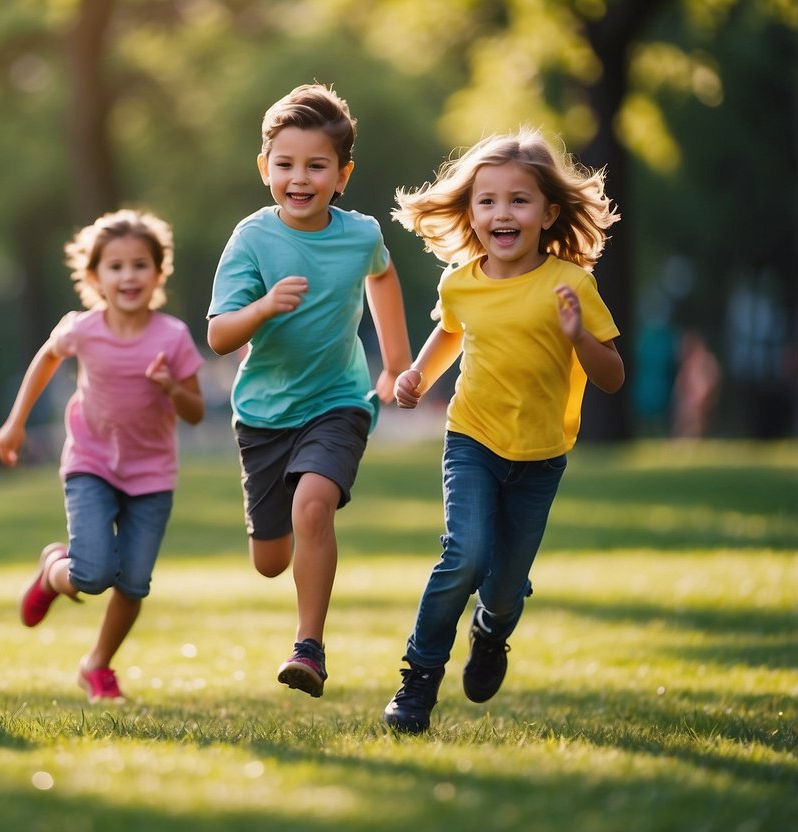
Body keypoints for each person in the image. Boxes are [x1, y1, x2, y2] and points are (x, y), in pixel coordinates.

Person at [382, 128, 625, 733]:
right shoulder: (461, 281)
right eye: (487, 201)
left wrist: (578, 338)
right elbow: (451, 333)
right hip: (473, 440)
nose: (501, 213)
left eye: (518, 200)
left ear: (547, 213)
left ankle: (491, 633)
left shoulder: (571, 286)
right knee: (464, 555)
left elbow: (614, 377)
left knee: (506, 585)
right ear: (471, 212)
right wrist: (416, 374)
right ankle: (418, 681)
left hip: (541, 456)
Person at [206, 83, 412, 698]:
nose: (300, 178)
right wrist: (264, 307)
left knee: (314, 504)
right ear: (265, 166)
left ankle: (309, 648)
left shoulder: (359, 234)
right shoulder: (251, 239)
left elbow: (383, 274)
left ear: (342, 175)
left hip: (339, 401)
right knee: (271, 560)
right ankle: (295, 533)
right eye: (287, 164)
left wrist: (394, 360)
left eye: (317, 166)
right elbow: (218, 336)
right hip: (264, 413)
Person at [0, 209, 205, 703]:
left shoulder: (171, 336)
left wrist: (171, 386)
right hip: (90, 463)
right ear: (94, 277)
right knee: (91, 575)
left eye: (139, 265)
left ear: (158, 273)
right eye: (115, 266)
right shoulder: (82, 329)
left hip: (151, 476)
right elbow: (46, 359)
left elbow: (194, 412)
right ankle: (53, 569)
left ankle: (97, 665)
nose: (128, 276)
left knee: (132, 583)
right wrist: (16, 422)